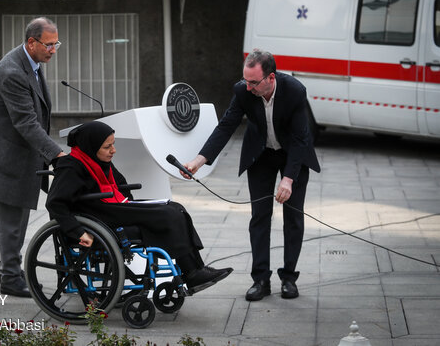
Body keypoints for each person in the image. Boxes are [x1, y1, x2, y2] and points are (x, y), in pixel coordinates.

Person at [183, 49, 320, 301]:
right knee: (259, 216)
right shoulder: (243, 91)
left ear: (271, 78)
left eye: (253, 82)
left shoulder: (294, 91)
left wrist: (288, 179)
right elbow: (226, 126)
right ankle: (260, 279)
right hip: (261, 155)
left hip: (293, 155)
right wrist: (198, 161)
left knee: (294, 217)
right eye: (245, 80)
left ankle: (289, 277)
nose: (248, 87)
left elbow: (302, 138)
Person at [46, 121, 233, 294]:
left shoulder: (97, 160)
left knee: (176, 209)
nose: (113, 150)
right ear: (91, 146)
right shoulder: (71, 167)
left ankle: (195, 270)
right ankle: (192, 274)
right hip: (99, 216)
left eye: (113, 144)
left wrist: (132, 206)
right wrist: (78, 232)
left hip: (112, 208)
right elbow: (55, 203)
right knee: (168, 215)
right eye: (107, 146)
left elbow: (121, 185)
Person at [0, 17, 66, 298]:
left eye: (56, 44)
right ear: (32, 42)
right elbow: (27, 122)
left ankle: (11, 270)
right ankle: (11, 279)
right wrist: (57, 154)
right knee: (11, 225)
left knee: (17, 222)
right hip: (7, 161)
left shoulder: (33, 63)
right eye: (49, 45)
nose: (53, 50)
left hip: (21, 159)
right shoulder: (12, 72)